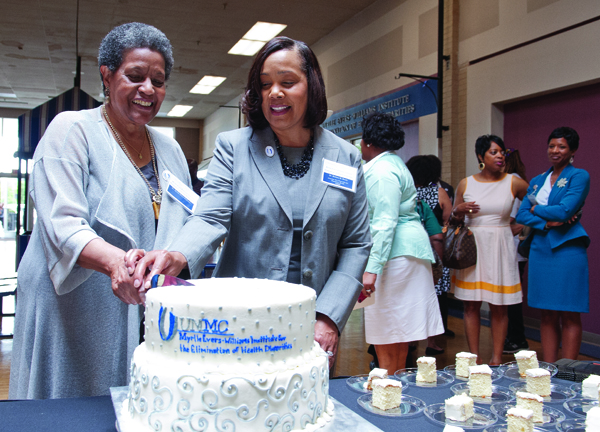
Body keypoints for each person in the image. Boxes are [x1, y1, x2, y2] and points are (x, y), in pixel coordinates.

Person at [127, 36, 372, 368]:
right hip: (241, 320)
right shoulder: (234, 147)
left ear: (311, 87)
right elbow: (210, 217)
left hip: (315, 322)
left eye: (288, 82)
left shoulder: (345, 156)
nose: (275, 92)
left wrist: (329, 316)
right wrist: (178, 255)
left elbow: (356, 243)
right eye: (265, 84)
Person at [9, 23, 192, 399]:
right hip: (71, 304)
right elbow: (61, 222)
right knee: (68, 405)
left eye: (158, 81)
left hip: (137, 301)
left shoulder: (170, 150)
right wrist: (115, 263)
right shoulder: (72, 129)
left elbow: (186, 219)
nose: (148, 89)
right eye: (135, 76)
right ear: (107, 76)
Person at [360, 112, 443, 373]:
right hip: (407, 251)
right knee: (400, 327)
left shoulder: (382, 172)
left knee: (385, 326)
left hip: (394, 254)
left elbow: (384, 222)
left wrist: (372, 268)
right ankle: (395, 383)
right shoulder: (394, 164)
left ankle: (388, 384)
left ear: (368, 142)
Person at [452, 135, 528, 365]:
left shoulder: (513, 182)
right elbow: (452, 216)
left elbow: (535, 205)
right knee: (471, 304)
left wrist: (520, 224)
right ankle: (474, 358)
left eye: (501, 151)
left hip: (500, 245)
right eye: (494, 152)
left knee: (499, 305)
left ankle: (496, 358)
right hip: (473, 244)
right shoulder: (466, 183)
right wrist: (459, 210)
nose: (500, 156)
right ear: (480, 156)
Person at [516, 127, 589, 362]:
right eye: (551, 146)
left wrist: (537, 209)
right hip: (540, 249)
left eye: (562, 146)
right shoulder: (537, 181)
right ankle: (548, 369)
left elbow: (565, 210)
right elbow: (522, 215)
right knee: (546, 314)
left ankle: (567, 373)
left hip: (568, 249)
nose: (555, 151)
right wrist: (547, 222)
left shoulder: (579, 176)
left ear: (572, 150)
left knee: (569, 313)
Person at [406, 155, 453, 354]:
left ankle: (411, 340)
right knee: (436, 298)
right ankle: (433, 341)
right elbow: (447, 219)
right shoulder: (438, 192)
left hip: (410, 250)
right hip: (434, 252)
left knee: (411, 297)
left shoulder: (406, 193)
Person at [503, 148, 530, 354]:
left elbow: (508, 217)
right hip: (514, 247)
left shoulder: (512, 181)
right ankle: (513, 336)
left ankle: (516, 338)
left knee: (511, 297)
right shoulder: (519, 179)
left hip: (511, 247)